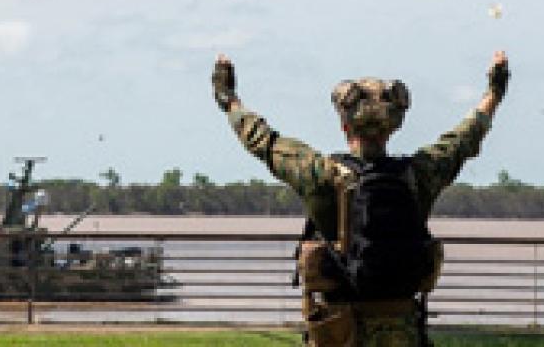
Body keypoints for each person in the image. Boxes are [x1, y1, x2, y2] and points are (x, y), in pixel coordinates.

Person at [210, 50, 510, 346]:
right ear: (394, 127)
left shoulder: (319, 174)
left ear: (345, 126)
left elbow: (263, 141)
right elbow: (464, 139)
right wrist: (494, 92)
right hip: (402, 331)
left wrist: (229, 100)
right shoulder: (420, 175)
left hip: (339, 331)